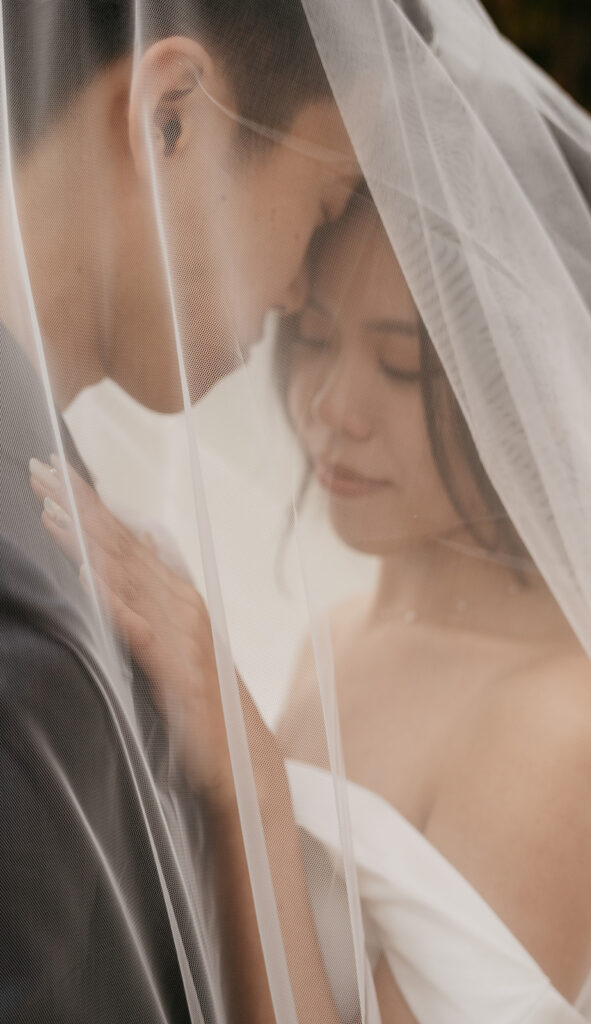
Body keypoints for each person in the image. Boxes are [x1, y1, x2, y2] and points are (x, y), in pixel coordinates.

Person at [29, 191, 591, 1022]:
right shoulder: (341, 628)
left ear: (537, 397)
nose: (331, 408)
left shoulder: (559, 729)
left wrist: (250, 784)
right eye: (314, 339)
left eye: (401, 366)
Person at [0, 1, 361, 1019]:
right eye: (325, 207)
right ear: (172, 120)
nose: (301, 292)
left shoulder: (62, 514)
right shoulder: (36, 626)